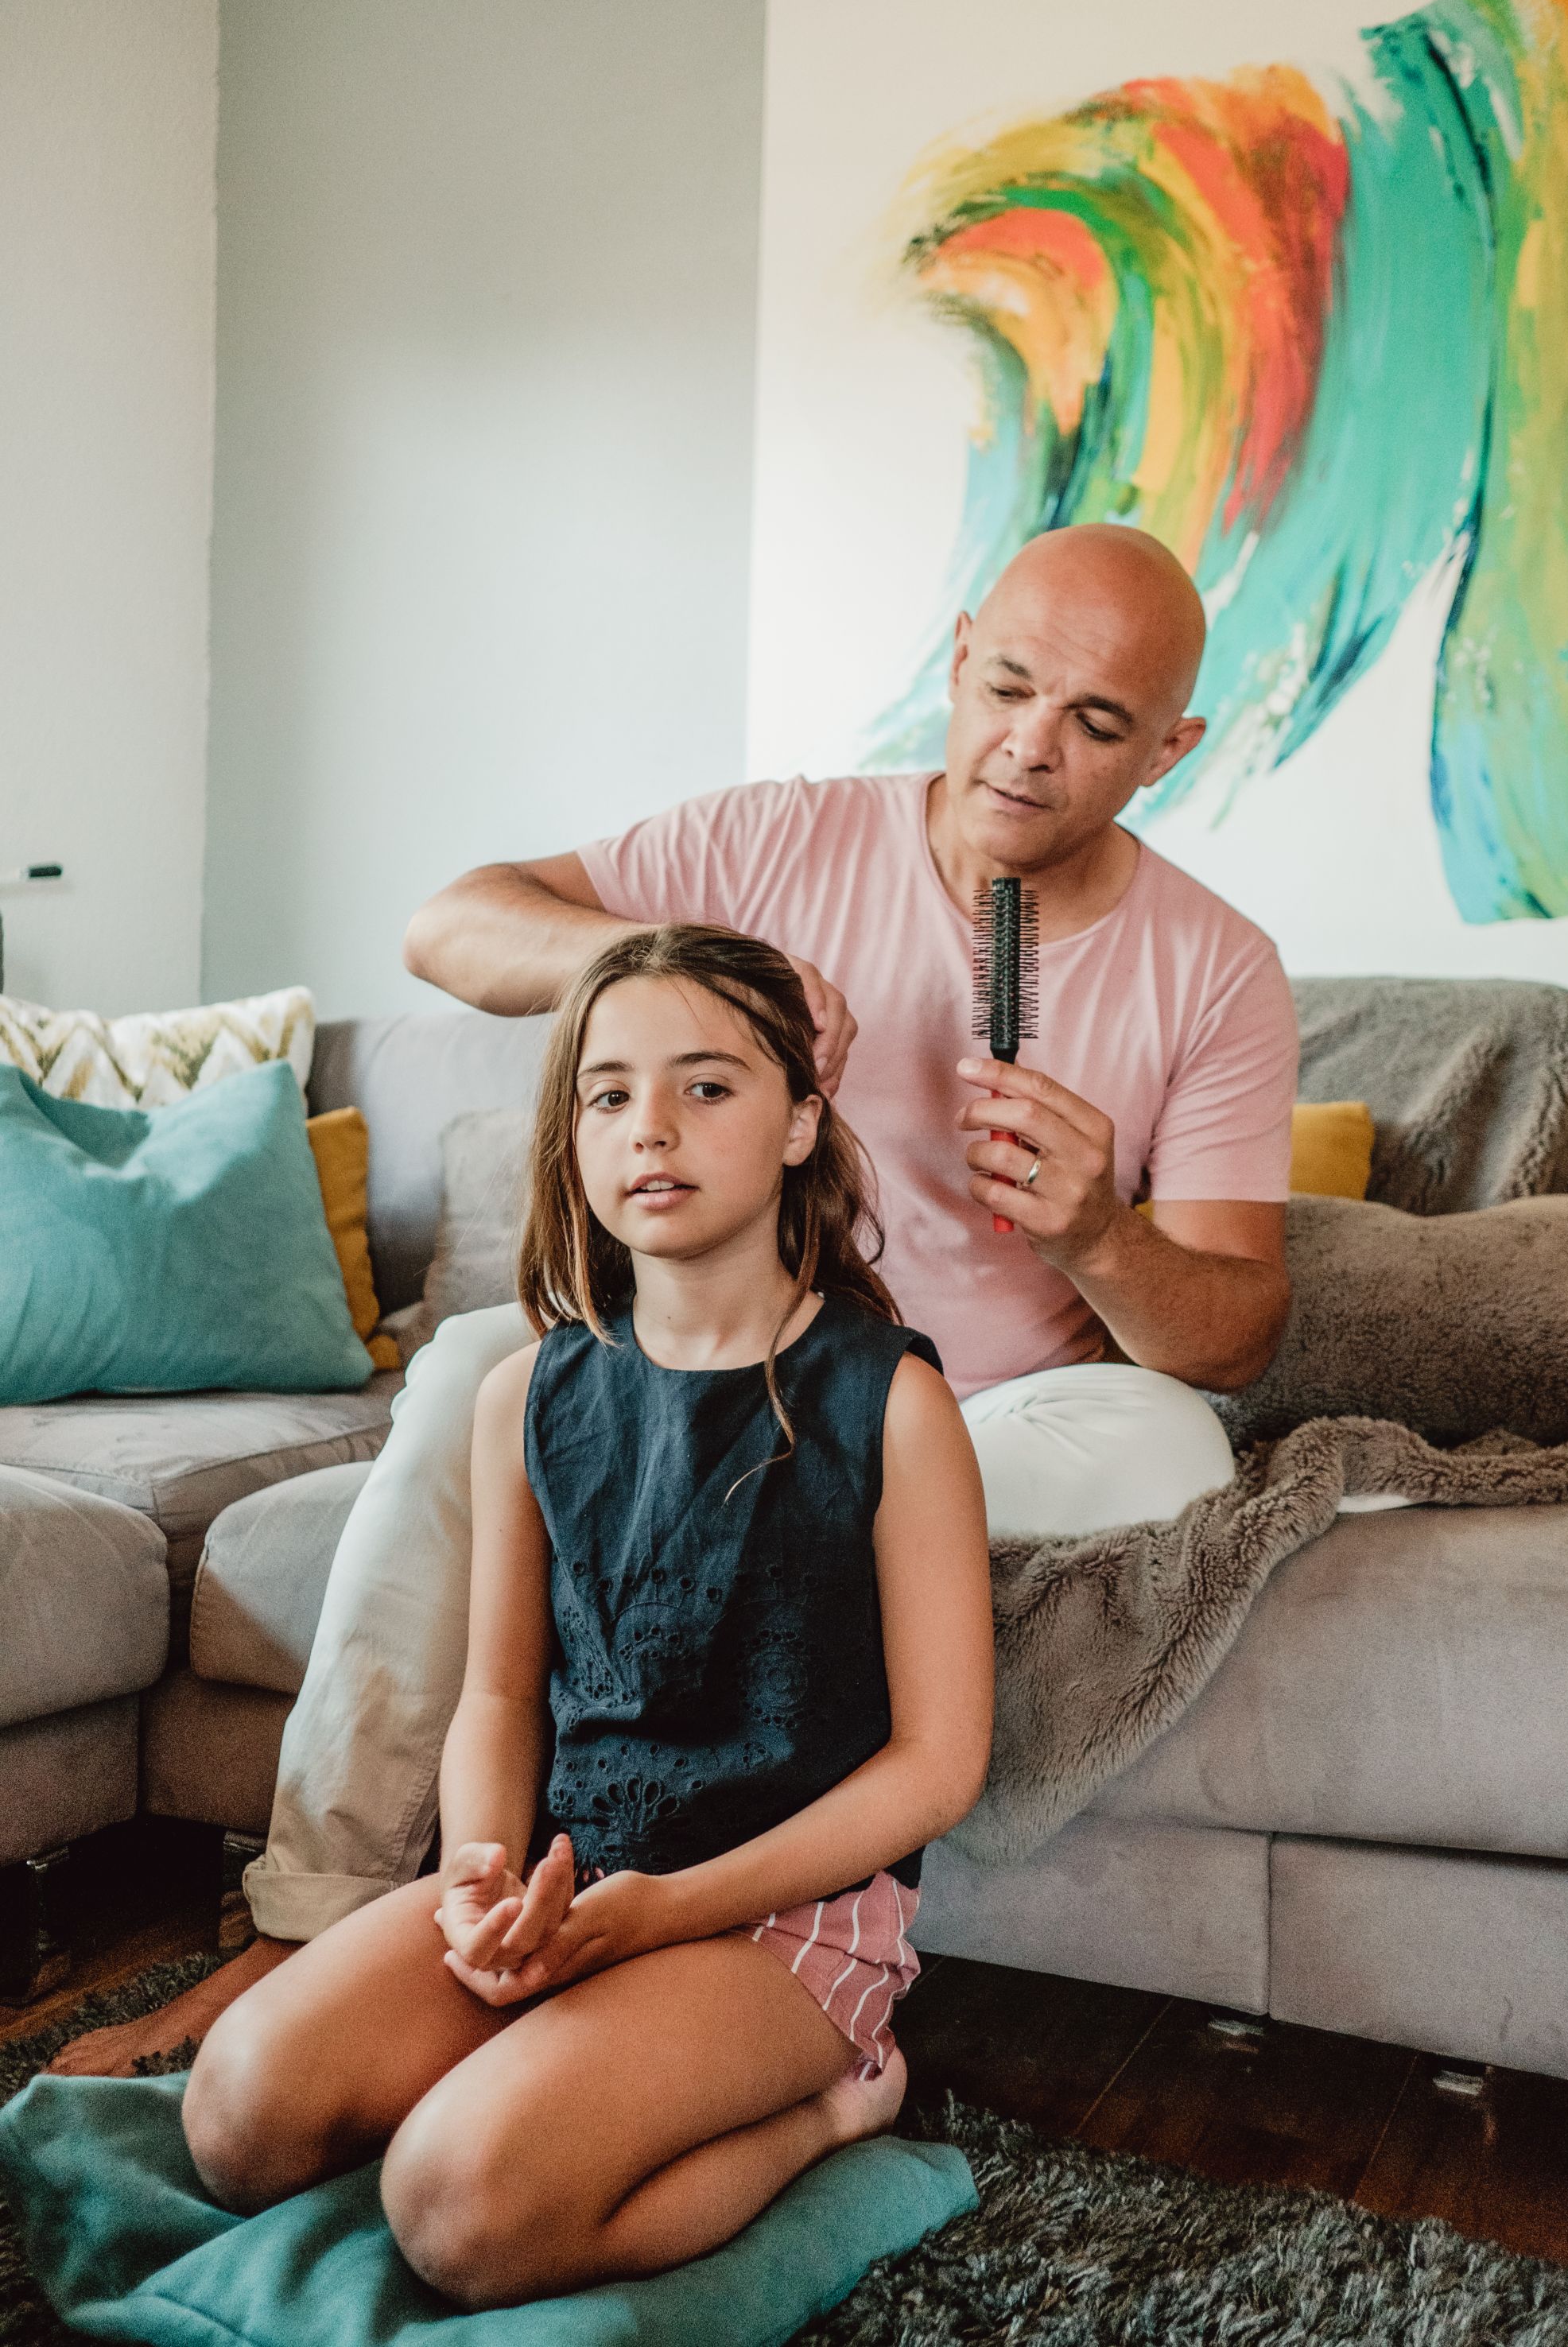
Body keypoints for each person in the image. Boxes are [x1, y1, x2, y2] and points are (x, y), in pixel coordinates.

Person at [55, 520, 1298, 2078]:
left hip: (976, 1417)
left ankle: (722, 1731)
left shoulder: (1216, 967)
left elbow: (1233, 1335)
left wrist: (1099, 1233)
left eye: (1095, 724)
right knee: (462, 1380)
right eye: (1004, 685)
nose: (1028, 748)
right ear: (960, 645)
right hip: (706, 1368)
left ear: (1166, 750)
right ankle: (305, 1928)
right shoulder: (782, 838)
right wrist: (690, 969)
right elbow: (448, 924)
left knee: (1169, 1447)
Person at [178, 925, 994, 2305]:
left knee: (458, 2213)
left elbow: (937, 1768)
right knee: (238, 2119)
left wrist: (656, 1913)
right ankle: (547, 2059)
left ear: (803, 1120)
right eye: (608, 1095)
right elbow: (498, 1696)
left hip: (770, 1921)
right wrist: (488, 1880)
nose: (650, 1129)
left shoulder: (896, 1403)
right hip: (570, 1879)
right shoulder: (528, 1396)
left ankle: (835, 2107)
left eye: (707, 1087)